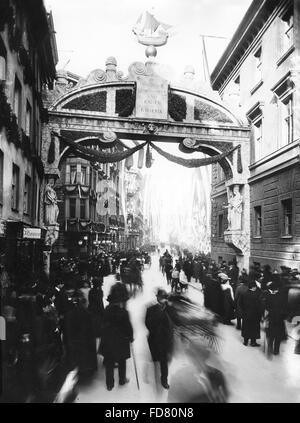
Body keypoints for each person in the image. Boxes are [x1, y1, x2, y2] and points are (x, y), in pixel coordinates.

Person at [99, 283, 133, 391]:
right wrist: (131, 337)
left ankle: (110, 384)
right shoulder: (124, 313)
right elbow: (128, 328)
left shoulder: (106, 311)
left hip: (108, 340)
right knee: (122, 361)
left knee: (109, 362)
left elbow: (102, 325)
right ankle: (122, 380)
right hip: (121, 341)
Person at [145, 289, 174, 389]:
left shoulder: (169, 309)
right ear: (157, 298)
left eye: (164, 298)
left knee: (164, 361)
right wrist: (154, 331)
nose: (162, 299)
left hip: (165, 340)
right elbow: (147, 323)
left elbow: (173, 323)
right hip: (154, 338)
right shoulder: (151, 309)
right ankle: (155, 360)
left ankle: (164, 380)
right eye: (160, 297)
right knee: (156, 357)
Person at [264, 281, 287, 356]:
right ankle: (276, 350)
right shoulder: (282, 296)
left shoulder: (269, 297)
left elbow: (266, 307)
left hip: (271, 318)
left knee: (271, 335)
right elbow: (285, 308)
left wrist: (265, 317)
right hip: (280, 320)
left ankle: (270, 347)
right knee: (278, 336)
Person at [239, 280, 263, 346]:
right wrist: (260, 314)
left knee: (246, 327)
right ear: (253, 287)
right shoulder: (257, 295)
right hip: (255, 315)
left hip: (246, 314)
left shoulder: (244, 294)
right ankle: (253, 342)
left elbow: (240, 304)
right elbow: (260, 305)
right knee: (254, 328)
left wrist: (243, 311)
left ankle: (245, 342)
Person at [88, 277, 105, 352]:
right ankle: (98, 348)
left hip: (91, 311)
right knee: (99, 332)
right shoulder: (100, 292)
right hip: (98, 312)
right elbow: (100, 303)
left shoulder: (91, 291)